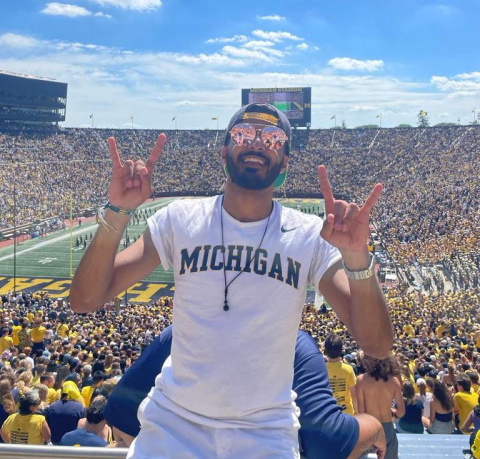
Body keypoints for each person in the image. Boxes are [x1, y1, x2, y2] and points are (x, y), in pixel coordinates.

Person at [71, 103, 393, 458]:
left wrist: (358, 258)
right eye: (243, 135)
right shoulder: (180, 218)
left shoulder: (309, 236)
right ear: (224, 152)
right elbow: (85, 300)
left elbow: (376, 345)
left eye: (272, 139)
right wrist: (117, 210)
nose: (256, 144)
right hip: (172, 425)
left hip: (266, 433)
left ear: (285, 162)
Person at [105, 325, 387, 458]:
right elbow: (327, 441)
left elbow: (121, 409)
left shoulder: (182, 330)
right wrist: (374, 426)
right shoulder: (296, 343)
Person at [356, 353, 405, 459]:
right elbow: (401, 411)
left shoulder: (361, 380)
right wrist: (393, 414)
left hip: (370, 428)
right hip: (388, 428)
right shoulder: (394, 381)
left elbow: (361, 412)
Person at [324, 333, 357, 415]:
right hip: (347, 413)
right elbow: (354, 394)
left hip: (328, 413)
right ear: (341, 350)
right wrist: (357, 412)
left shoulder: (321, 369)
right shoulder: (348, 369)